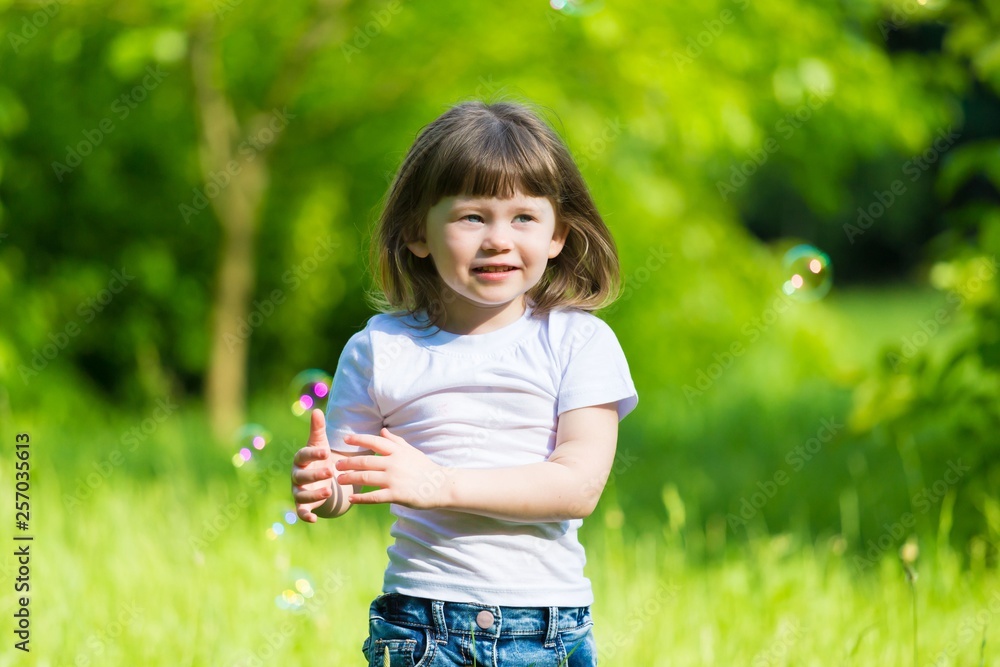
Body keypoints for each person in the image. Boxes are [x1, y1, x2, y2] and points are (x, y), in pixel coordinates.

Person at [290, 100, 638, 667]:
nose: (499, 239)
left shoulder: (580, 343)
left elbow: (577, 487)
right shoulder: (381, 350)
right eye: (472, 217)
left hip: (543, 626)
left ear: (559, 235)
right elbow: (346, 484)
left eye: (524, 217)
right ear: (416, 232)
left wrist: (438, 483)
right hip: (421, 623)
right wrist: (322, 486)